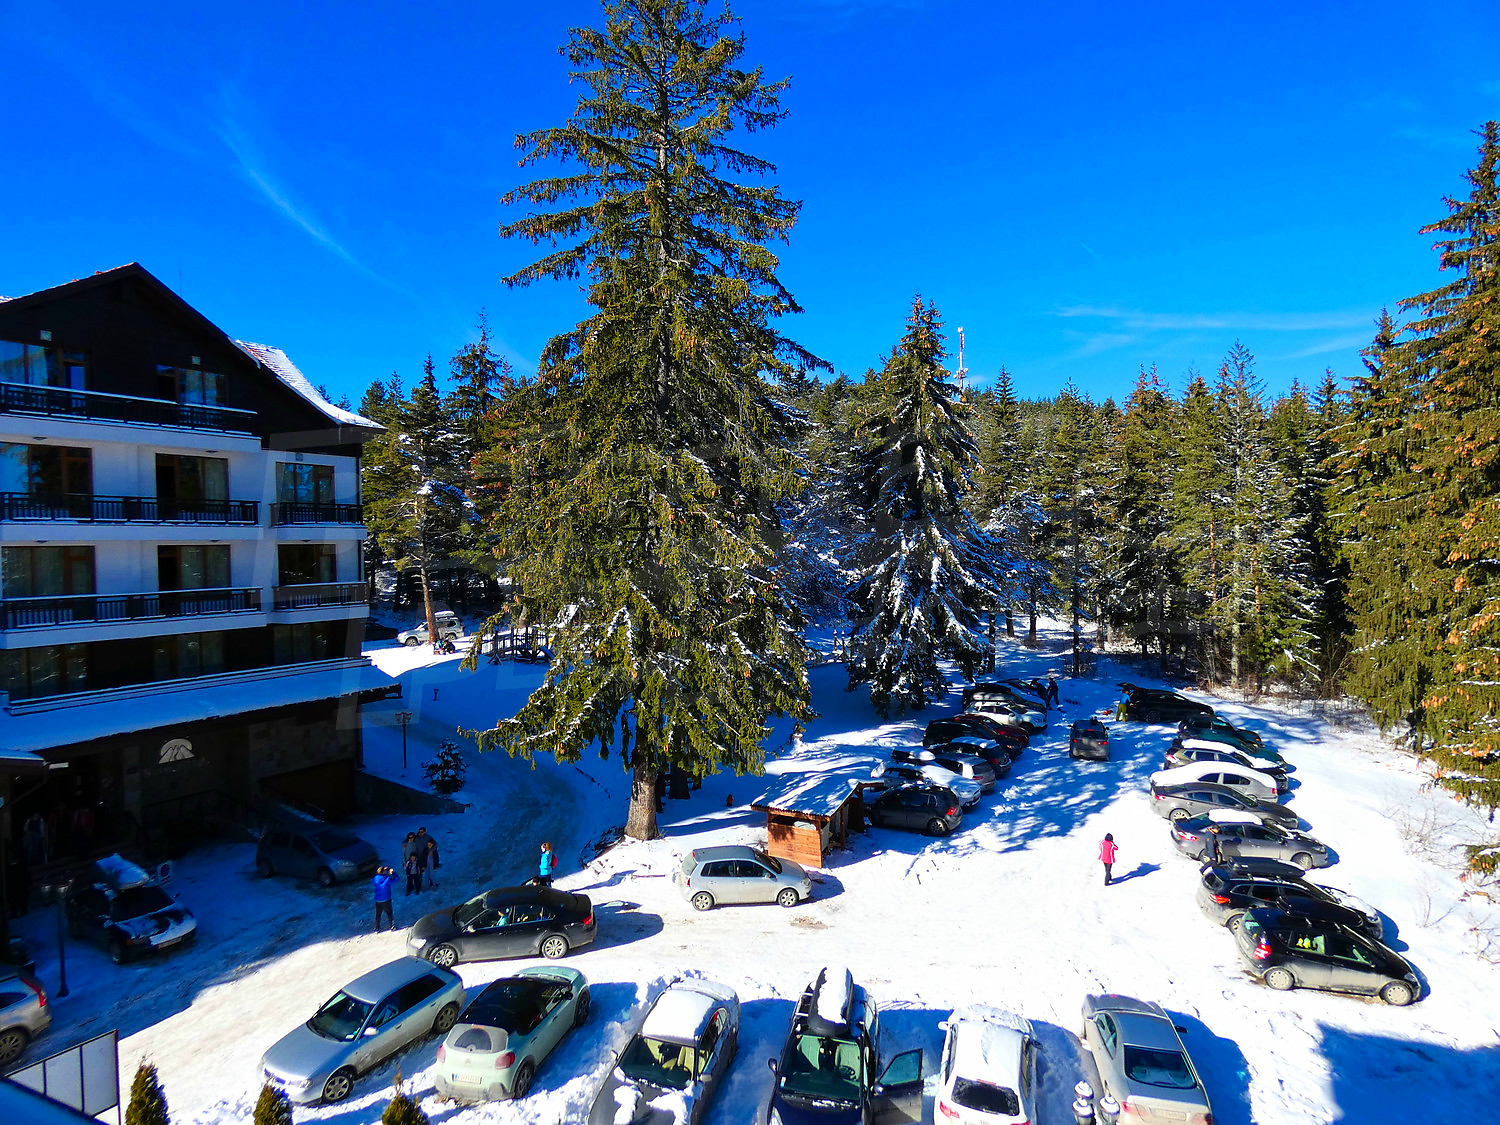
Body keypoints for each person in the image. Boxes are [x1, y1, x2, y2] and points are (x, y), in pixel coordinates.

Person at [372, 866, 397, 932]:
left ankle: (377, 928)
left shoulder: (375, 878)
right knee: (389, 913)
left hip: (378, 899)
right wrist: (393, 873)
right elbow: (396, 880)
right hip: (386, 899)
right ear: (383, 872)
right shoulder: (387, 879)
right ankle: (392, 926)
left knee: (378, 914)